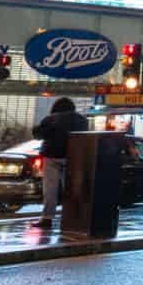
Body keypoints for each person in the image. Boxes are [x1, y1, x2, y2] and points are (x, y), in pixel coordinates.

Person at [30, 97, 89, 229]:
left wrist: (36, 129)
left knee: (50, 188)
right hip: (73, 156)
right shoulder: (82, 120)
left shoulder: (50, 118)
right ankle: (73, 218)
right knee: (72, 188)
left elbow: (40, 135)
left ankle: (47, 219)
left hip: (52, 156)